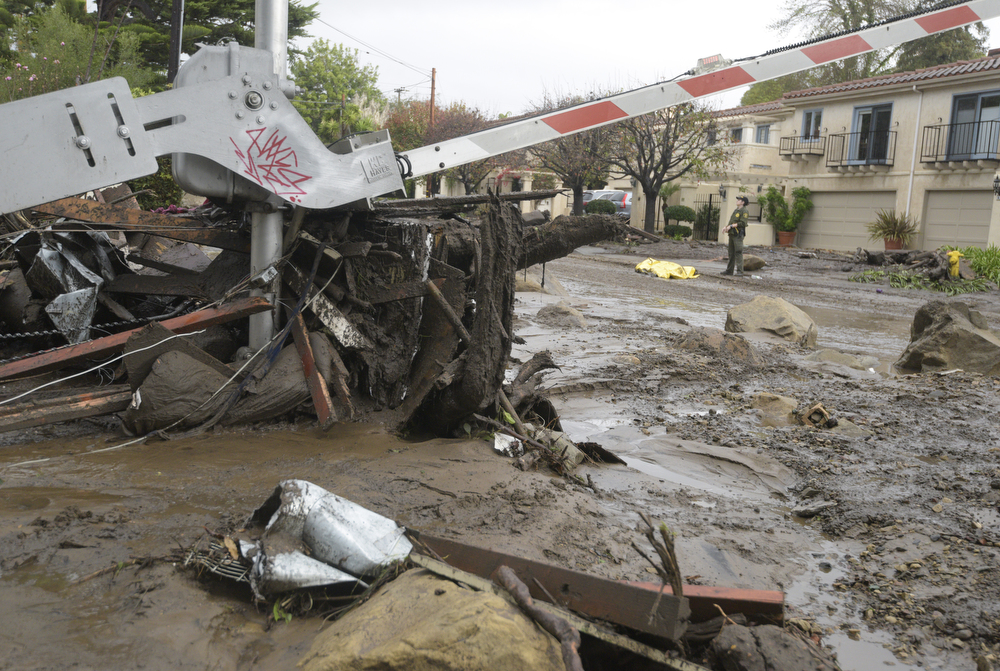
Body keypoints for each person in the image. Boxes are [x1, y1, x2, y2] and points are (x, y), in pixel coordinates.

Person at [722, 196, 750, 276]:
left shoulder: (744, 211)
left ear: (743, 202)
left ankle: (740, 271)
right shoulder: (736, 210)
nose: (737, 201)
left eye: (739, 200)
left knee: (738, 252)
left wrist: (731, 226)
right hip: (732, 233)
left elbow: (743, 223)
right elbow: (732, 221)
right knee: (731, 253)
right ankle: (729, 270)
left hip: (738, 234)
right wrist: (726, 227)